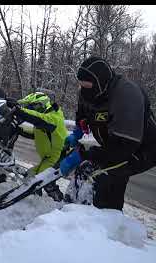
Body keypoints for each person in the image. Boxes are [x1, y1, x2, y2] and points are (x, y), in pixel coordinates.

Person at [59, 56, 156, 211]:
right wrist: (77, 133)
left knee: (105, 177)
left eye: (88, 86)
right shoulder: (88, 92)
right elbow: (83, 114)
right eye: (81, 85)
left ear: (101, 82)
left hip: (141, 147)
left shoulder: (127, 95)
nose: (84, 90)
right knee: (84, 170)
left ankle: (106, 223)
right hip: (113, 142)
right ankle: (69, 212)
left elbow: (122, 147)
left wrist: (85, 155)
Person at [10, 91, 68, 201]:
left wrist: (20, 111)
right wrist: (19, 130)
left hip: (58, 157)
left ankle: (60, 203)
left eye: (33, 107)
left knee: (44, 181)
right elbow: (38, 135)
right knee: (29, 176)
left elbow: (38, 118)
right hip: (48, 158)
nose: (32, 110)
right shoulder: (44, 121)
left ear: (41, 105)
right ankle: (36, 201)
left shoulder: (54, 118)